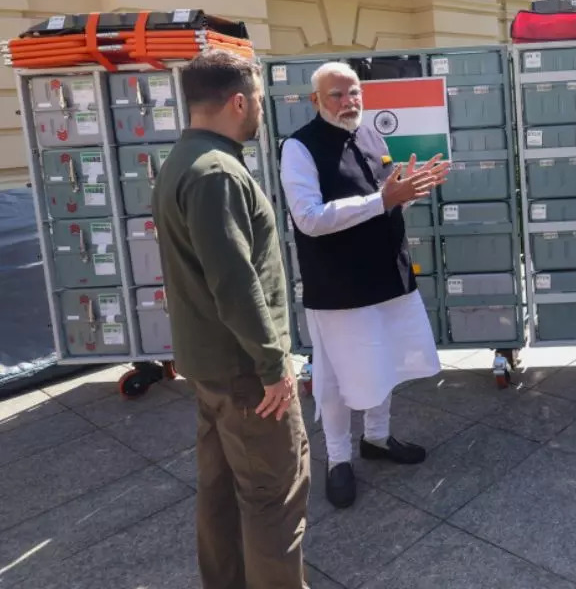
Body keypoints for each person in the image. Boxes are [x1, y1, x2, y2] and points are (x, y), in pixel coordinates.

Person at [152, 49, 309, 589]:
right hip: (247, 377)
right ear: (239, 101)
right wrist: (273, 366)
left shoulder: (182, 159)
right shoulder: (217, 172)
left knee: (220, 492)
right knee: (273, 498)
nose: (261, 109)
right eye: (260, 100)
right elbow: (234, 282)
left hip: (211, 368)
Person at [278, 61, 449, 509]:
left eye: (354, 92)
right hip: (338, 285)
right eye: (337, 94)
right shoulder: (298, 148)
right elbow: (309, 219)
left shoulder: (372, 135)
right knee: (334, 376)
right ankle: (337, 459)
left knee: (386, 359)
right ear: (315, 100)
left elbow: (382, 202)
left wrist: (404, 194)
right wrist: (382, 199)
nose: (348, 101)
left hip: (386, 272)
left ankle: (377, 437)